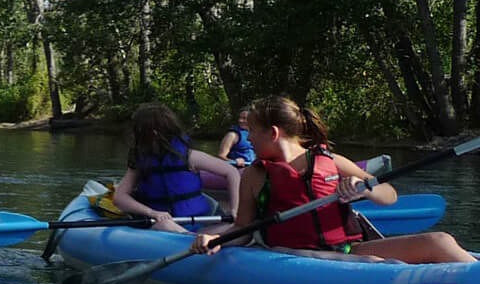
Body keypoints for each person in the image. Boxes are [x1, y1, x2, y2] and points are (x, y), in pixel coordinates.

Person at [196, 94, 473, 263]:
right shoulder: (256, 175)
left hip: (348, 248)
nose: (250, 139)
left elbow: (390, 195)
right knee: (375, 261)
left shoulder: (332, 162)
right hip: (298, 254)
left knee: (439, 240)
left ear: (274, 133)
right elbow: (243, 229)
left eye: (253, 132)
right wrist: (213, 239)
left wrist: (365, 190)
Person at [112, 102, 241, 234]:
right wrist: (152, 213)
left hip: (201, 223)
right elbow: (120, 198)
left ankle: (199, 240)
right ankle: (195, 240)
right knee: (164, 225)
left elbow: (231, 172)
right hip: (165, 226)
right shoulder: (141, 162)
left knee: (241, 232)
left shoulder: (190, 157)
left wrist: (235, 209)